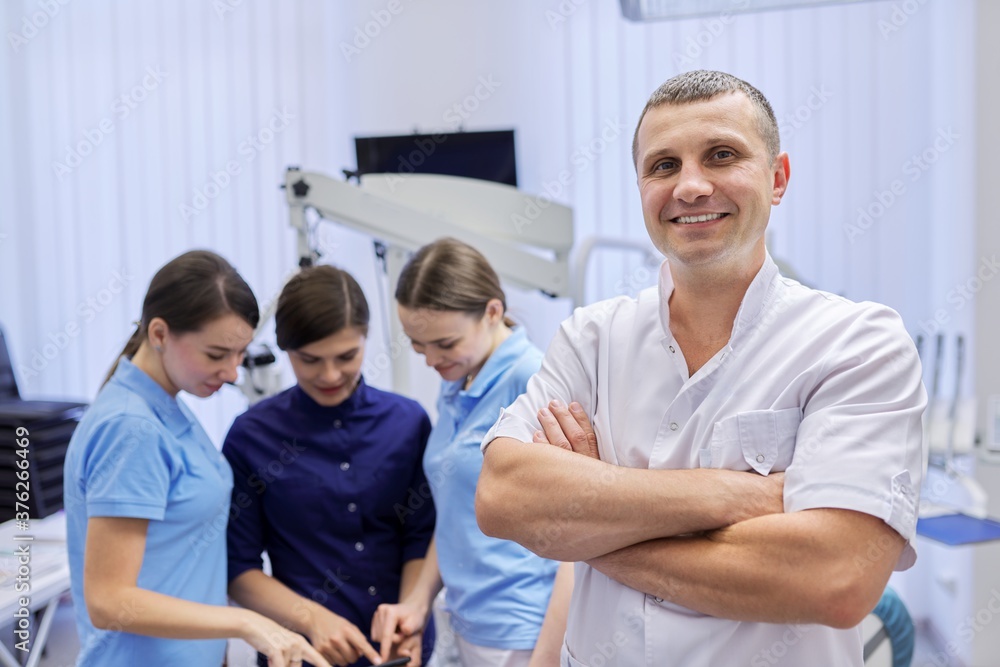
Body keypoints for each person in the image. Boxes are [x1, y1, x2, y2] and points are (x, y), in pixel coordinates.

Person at [475, 70, 927, 666]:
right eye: (663, 165)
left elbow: (835, 579)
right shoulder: (591, 339)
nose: (689, 186)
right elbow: (503, 498)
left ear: (778, 177)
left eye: (721, 155)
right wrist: (740, 497)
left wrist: (584, 528)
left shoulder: (858, 344)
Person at [63, 250, 330, 667]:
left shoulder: (166, 407)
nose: (231, 372)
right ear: (159, 333)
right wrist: (244, 623)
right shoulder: (131, 428)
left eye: (240, 354)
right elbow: (109, 601)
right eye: (216, 354)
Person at [371, 237, 574, 667]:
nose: (429, 360)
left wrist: (547, 656)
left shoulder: (533, 382)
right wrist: (418, 602)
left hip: (522, 630)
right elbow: (456, 512)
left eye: (444, 344)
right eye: (416, 344)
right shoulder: (459, 380)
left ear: (493, 312)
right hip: (462, 621)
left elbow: (580, 537)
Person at [223, 265, 436, 667]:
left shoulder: (407, 424)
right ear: (284, 349)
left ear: (366, 339)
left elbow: (421, 538)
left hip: (398, 652)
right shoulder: (251, 437)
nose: (331, 375)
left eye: (347, 356)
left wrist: (412, 615)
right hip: (301, 652)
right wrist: (313, 619)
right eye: (310, 360)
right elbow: (238, 571)